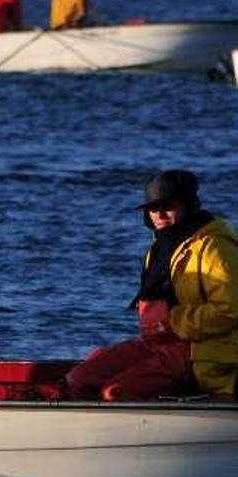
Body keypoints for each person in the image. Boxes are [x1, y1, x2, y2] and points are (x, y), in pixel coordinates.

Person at [66, 170, 238, 400]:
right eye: (153, 208)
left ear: (188, 205)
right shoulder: (157, 250)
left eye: (169, 206)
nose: (160, 214)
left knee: (116, 393)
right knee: (79, 379)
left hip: (203, 352)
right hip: (158, 345)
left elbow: (231, 310)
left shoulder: (214, 248)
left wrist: (173, 321)